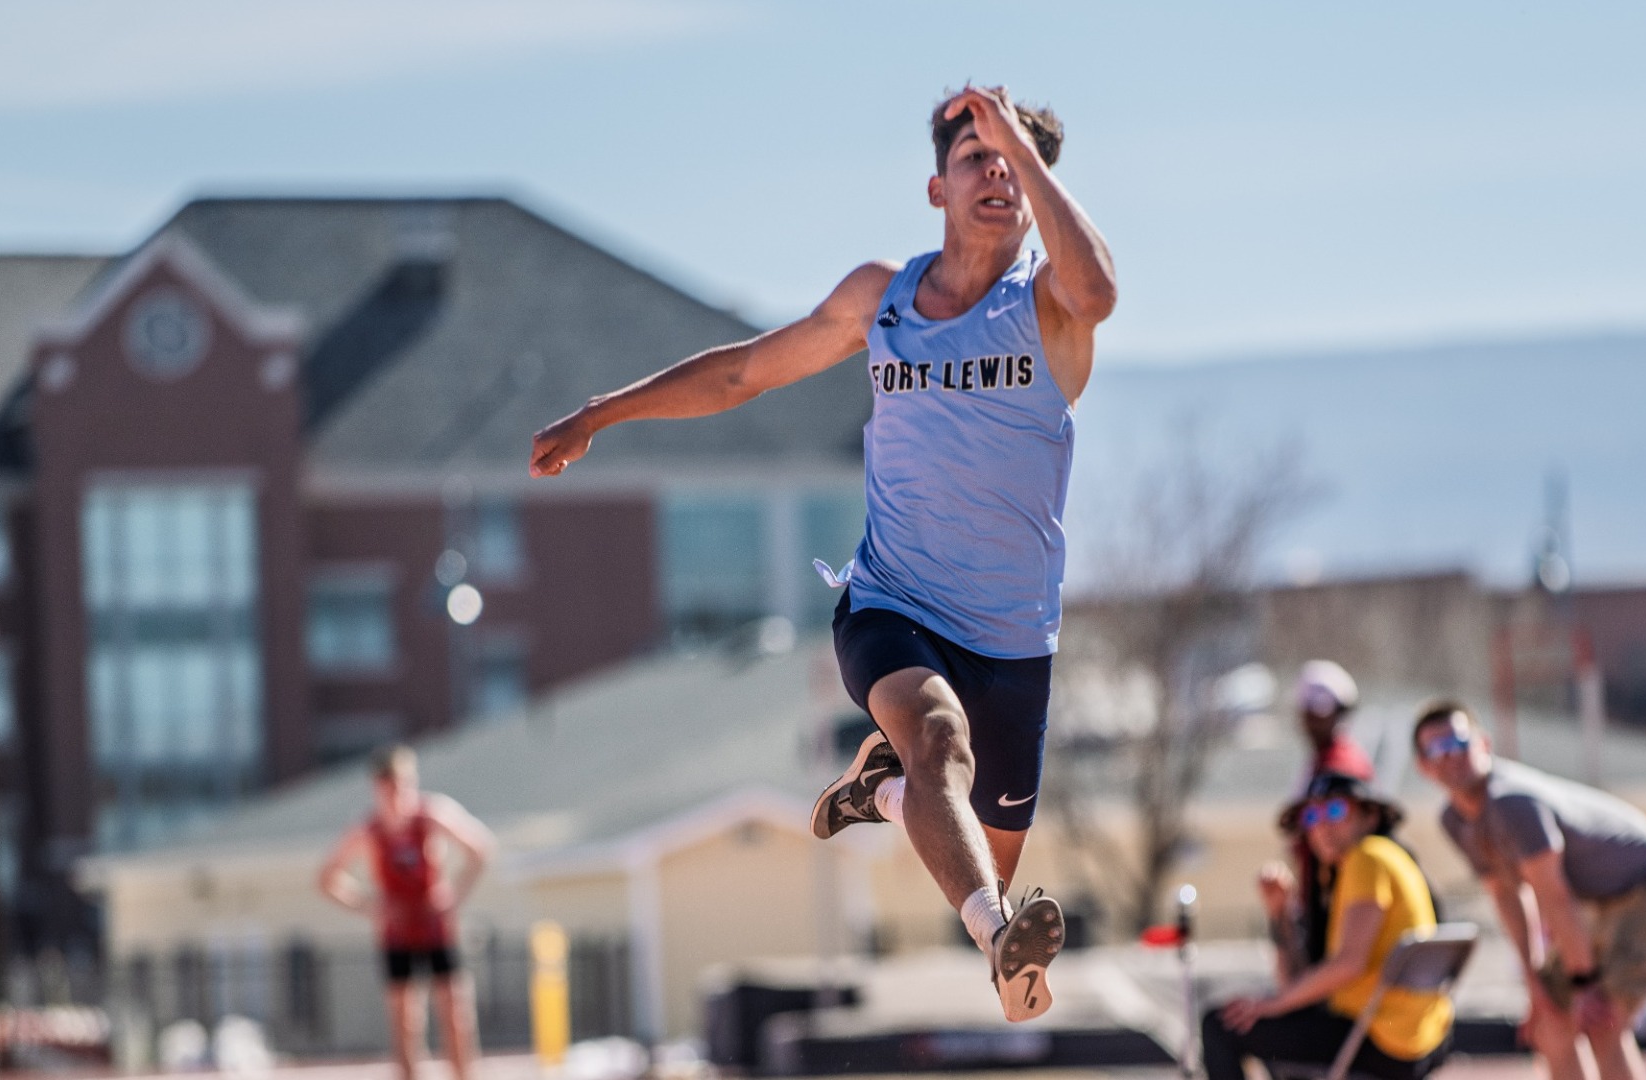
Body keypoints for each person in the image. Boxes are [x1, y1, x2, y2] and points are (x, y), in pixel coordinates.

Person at [527, 86, 1117, 1022]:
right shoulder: (880, 298)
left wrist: (1024, 152)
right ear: (937, 187)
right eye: (977, 157)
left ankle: (879, 795)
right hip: (895, 602)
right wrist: (602, 413)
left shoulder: (1049, 307)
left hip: (1015, 638)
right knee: (936, 745)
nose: (997, 171)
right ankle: (997, 937)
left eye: (1013, 160)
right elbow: (741, 373)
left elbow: (1101, 291)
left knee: (965, 825)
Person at [1414, 701, 1646, 1080]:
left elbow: (1553, 895)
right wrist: (1534, 984)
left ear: (1483, 744)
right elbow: (1507, 896)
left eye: (1458, 741)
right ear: (1423, 766)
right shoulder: (1455, 821)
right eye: (1436, 749)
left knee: (1601, 1020)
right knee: (1550, 1023)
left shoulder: (1512, 802)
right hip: (1602, 904)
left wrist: (1583, 983)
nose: (1450, 755)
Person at [1206, 773, 1453, 1080]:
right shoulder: (1377, 863)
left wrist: (1272, 1005)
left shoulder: (1367, 857)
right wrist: (1280, 913)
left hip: (1377, 1037)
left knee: (1219, 1026)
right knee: (1268, 1025)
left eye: (1336, 810)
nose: (1322, 826)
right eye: (1311, 815)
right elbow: (1294, 982)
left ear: (1370, 815)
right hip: (1415, 1037)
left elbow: (1349, 963)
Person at [318, 746, 497, 1080]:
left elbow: (481, 848)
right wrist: (371, 908)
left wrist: (454, 894)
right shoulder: (368, 831)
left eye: (404, 784)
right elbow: (327, 878)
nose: (398, 794)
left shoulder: (431, 816)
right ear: (378, 787)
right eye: (390, 787)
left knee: (455, 1011)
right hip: (397, 932)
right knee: (405, 1018)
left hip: (435, 927)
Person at [1261, 661, 1374, 975]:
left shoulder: (1343, 764)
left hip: (1339, 893)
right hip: (1317, 886)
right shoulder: (1318, 762)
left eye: (1321, 711)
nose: (1313, 721)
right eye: (1308, 711)